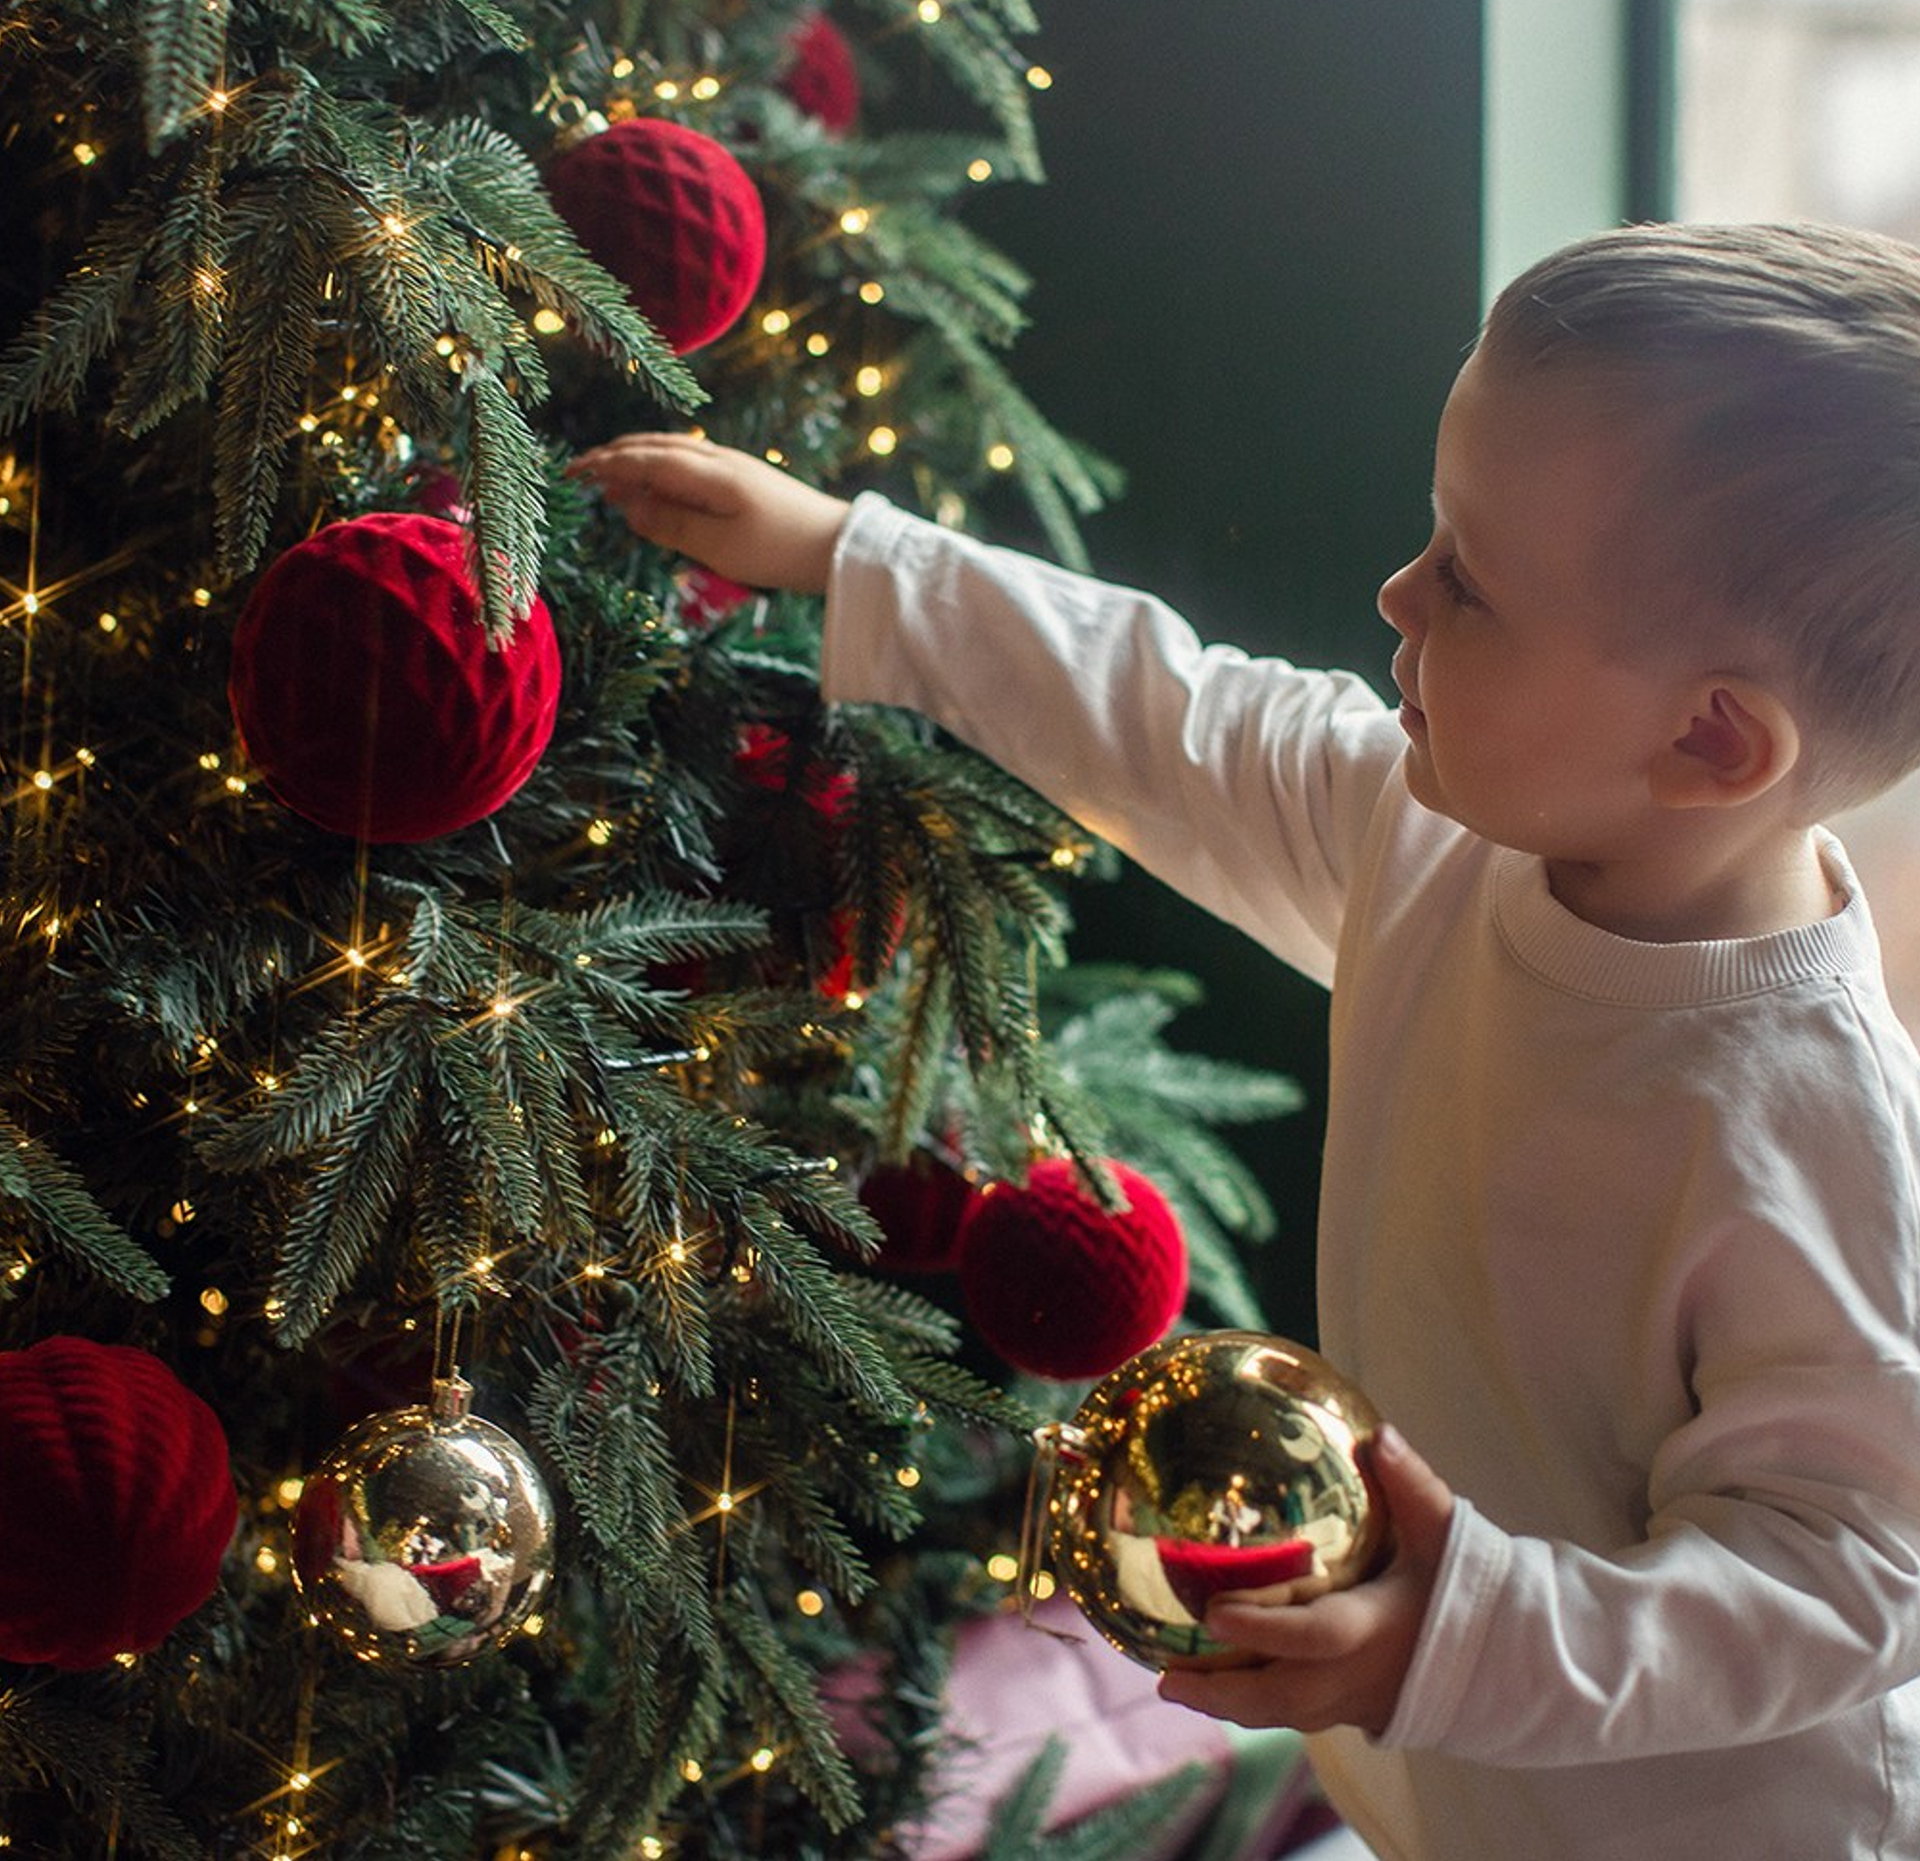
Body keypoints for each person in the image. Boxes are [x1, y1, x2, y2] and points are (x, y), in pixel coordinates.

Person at [567, 220, 1920, 1860]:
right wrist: (865, 558)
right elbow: (1172, 715)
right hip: (1469, 1795)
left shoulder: (1813, 1132)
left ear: (1709, 740)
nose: (1397, 593)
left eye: (1470, 584)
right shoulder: (1442, 839)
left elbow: (1851, 1574)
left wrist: (1459, 1635)